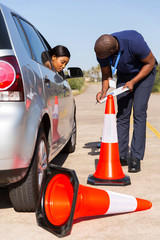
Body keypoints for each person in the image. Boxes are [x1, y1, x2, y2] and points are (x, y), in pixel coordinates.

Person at [95, 30, 157, 173]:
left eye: (103, 56)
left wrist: (134, 81)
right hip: (124, 75)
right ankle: (121, 155)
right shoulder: (101, 50)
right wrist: (104, 91)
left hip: (144, 73)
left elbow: (150, 62)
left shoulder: (134, 41)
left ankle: (136, 157)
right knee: (122, 114)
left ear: (112, 50)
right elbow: (106, 74)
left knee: (139, 113)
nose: (100, 58)